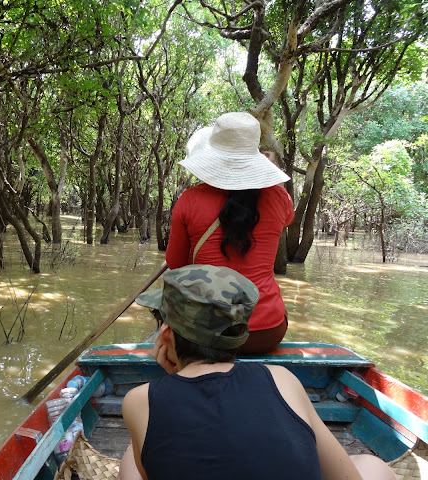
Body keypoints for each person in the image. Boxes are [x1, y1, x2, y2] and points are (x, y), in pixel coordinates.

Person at [119, 264, 396, 480]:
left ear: (165, 333)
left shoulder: (139, 400)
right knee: (372, 466)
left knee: (132, 454)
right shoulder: (282, 379)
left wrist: (174, 379)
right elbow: (345, 475)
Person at [165, 111, 294, 353]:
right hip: (268, 331)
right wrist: (268, 172)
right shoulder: (279, 197)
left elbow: (176, 265)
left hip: (207, 333)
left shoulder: (189, 199)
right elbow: (287, 219)